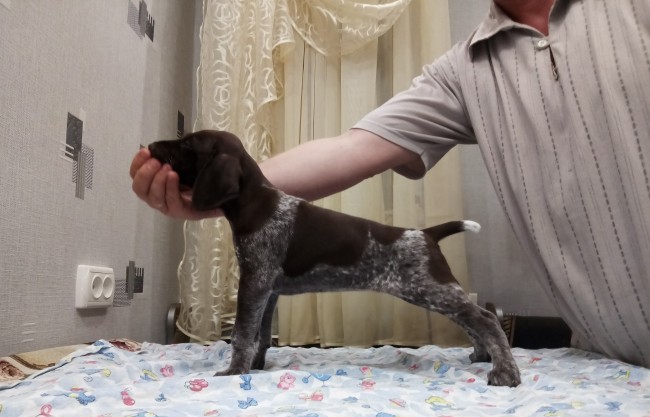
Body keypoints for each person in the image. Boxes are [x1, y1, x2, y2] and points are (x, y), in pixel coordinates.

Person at [131, 0, 650, 368]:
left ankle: (486, 334)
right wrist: (206, 203)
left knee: (442, 299)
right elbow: (352, 149)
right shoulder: (463, 68)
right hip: (608, 359)